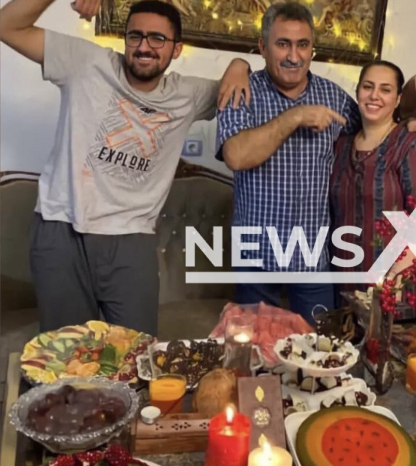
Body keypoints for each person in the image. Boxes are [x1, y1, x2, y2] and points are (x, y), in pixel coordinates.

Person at [0, 0, 251, 335]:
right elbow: (7, 25)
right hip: (62, 231)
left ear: (176, 50)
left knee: (135, 356)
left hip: (132, 241)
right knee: (67, 360)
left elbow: (248, 86)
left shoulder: (187, 94)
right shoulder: (86, 62)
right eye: (136, 36)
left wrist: (238, 64)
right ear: (125, 40)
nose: (144, 47)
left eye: (157, 39)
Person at [216, 2, 416, 324]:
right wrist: (295, 116)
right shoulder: (242, 91)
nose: (294, 55)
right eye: (283, 44)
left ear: (312, 50)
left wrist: (410, 121)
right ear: (263, 47)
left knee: (318, 351)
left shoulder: (335, 98)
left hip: (314, 259)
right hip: (256, 255)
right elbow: (236, 156)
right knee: (255, 354)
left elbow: (375, 128)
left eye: (302, 44)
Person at [330, 60, 416, 321]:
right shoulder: (342, 145)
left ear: (399, 98)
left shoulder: (410, 144)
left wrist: (397, 275)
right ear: (357, 92)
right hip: (345, 284)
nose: (375, 95)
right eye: (368, 87)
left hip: (394, 286)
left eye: (385, 89)